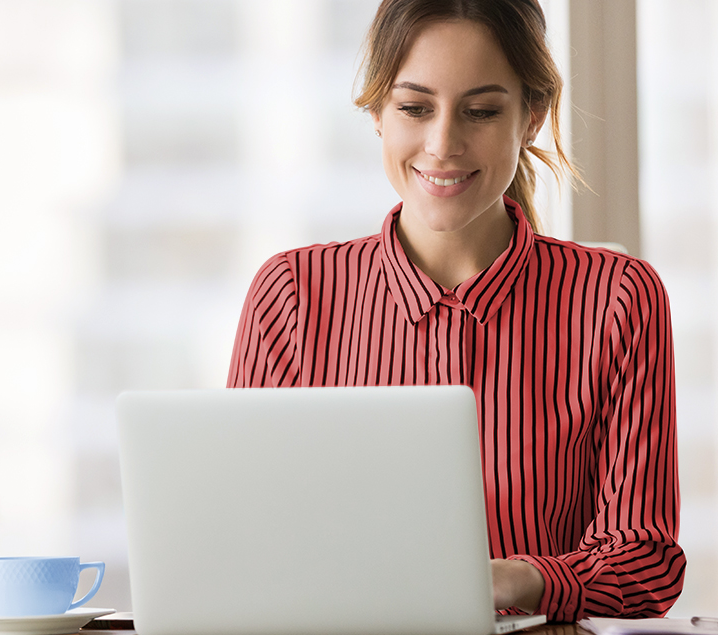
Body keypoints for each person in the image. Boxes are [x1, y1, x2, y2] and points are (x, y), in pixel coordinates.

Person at [227, 0, 684, 622]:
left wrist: (520, 579)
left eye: (481, 111)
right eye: (415, 108)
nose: (443, 143)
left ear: (531, 118)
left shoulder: (619, 298)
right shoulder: (293, 293)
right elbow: (246, 540)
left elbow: (646, 562)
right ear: (378, 114)